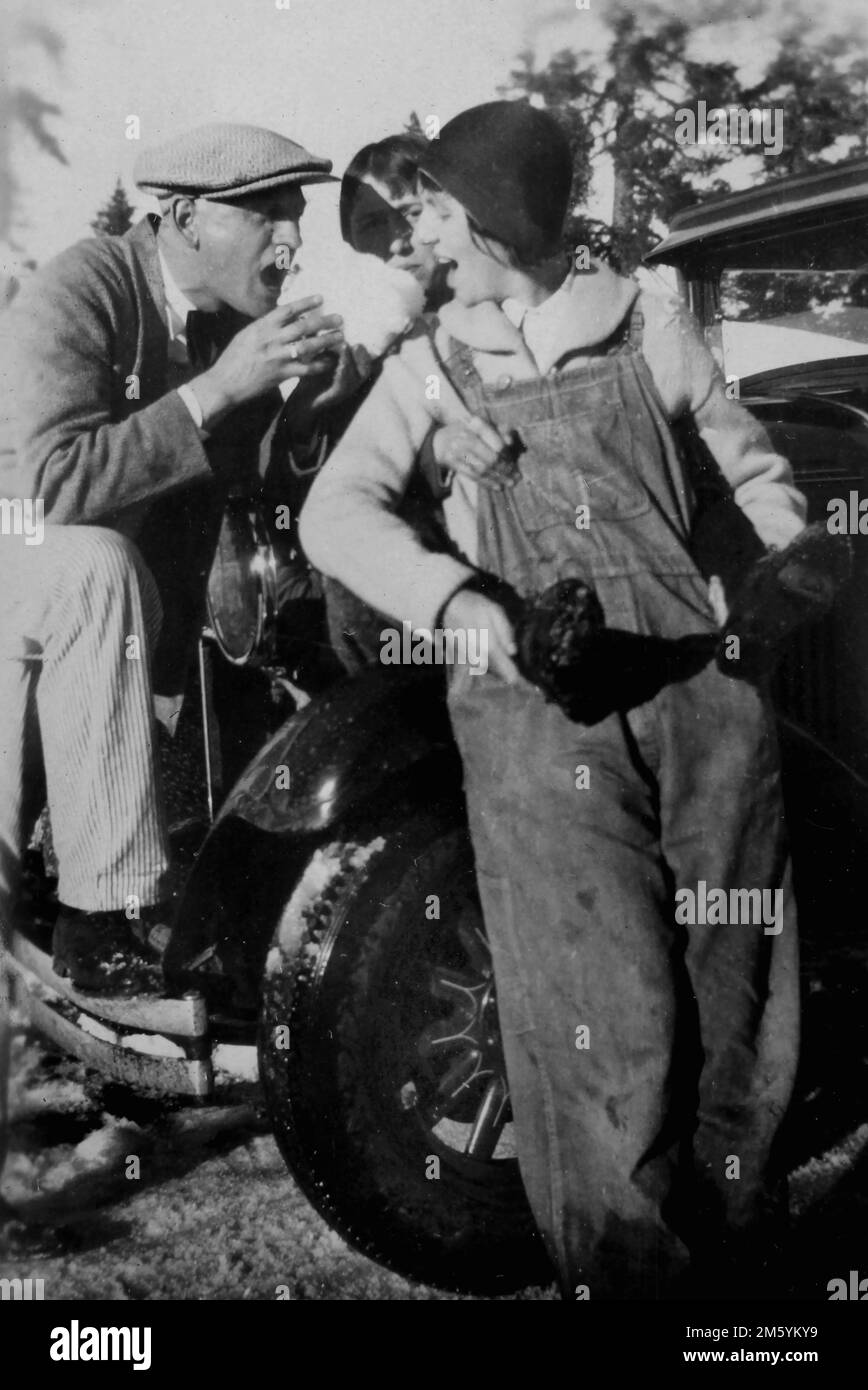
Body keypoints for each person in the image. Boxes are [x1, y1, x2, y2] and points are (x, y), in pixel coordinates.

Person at [299, 100, 807, 1298]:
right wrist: (465, 605)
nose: (422, 231)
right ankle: (629, 1276)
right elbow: (336, 514)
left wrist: (782, 569)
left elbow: (754, 471)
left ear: (490, 223)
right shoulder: (428, 374)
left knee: (736, 990)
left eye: (438, 209)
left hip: (699, 697)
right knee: (601, 1004)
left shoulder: (650, 324)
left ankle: (737, 1266)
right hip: (536, 719)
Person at [0, 122, 345, 995]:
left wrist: (307, 421)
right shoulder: (85, 284)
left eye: (296, 216)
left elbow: (245, 501)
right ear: (186, 218)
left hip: (125, 624)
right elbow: (47, 489)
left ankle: (104, 882)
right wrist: (220, 388)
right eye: (267, 214)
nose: (293, 240)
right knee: (93, 562)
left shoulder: (228, 325)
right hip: (25, 559)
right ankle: (100, 918)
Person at [273, 131, 516, 672]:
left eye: (406, 217)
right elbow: (317, 477)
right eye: (370, 226)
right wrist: (310, 410)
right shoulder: (361, 334)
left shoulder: (486, 316)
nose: (395, 244)